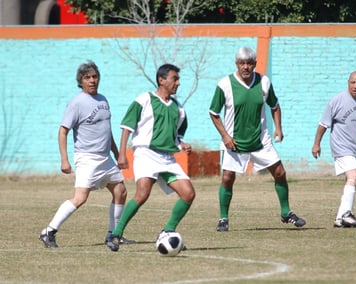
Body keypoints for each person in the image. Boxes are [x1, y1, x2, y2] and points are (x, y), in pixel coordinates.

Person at [209, 47, 306, 232]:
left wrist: (278, 128)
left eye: (249, 63)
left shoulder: (264, 82)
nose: (246, 67)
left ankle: (286, 213)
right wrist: (226, 137)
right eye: (242, 63)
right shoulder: (225, 85)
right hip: (235, 142)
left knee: (280, 173)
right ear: (236, 64)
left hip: (261, 141)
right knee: (228, 178)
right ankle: (223, 218)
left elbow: (275, 106)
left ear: (254, 64)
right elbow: (214, 113)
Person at [39, 60, 135, 247]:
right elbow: (63, 131)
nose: (92, 80)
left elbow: (106, 130)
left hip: (105, 158)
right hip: (87, 157)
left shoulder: (103, 99)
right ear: (80, 81)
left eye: (94, 76)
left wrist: (116, 153)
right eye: (87, 77)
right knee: (80, 198)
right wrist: (64, 160)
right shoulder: (76, 103)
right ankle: (49, 231)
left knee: (120, 191)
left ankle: (113, 234)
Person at [106, 63, 196, 252]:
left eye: (178, 79)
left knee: (188, 193)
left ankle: (167, 231)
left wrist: (181, 144)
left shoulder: (179, 109)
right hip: (146, 153)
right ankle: (116, 234)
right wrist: (122, 154)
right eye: (175, 79)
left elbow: (176, 135)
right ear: (161, 80)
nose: (178, 83)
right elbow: (126, 127)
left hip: (167, 158)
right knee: (142, 193)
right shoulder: (144, 99)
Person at [312, 71, 356, 228]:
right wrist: (316, 144)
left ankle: (339, 219)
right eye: (353, 82)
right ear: (348, 83)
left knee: (352, 180)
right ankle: (347, 214)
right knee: (354, 174)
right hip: (341, 146)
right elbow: (323, 124)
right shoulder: (337, 101)